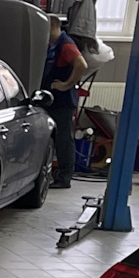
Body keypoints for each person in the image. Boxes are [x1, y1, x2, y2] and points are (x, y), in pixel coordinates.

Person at [44, 16, 89, 189]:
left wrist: (66, 84)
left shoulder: (66, 45)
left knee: (63, 140)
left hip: (62, 102)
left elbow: (81, 64)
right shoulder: (52, 45)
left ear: (52, 27)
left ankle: (64, 178)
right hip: (50, 100)